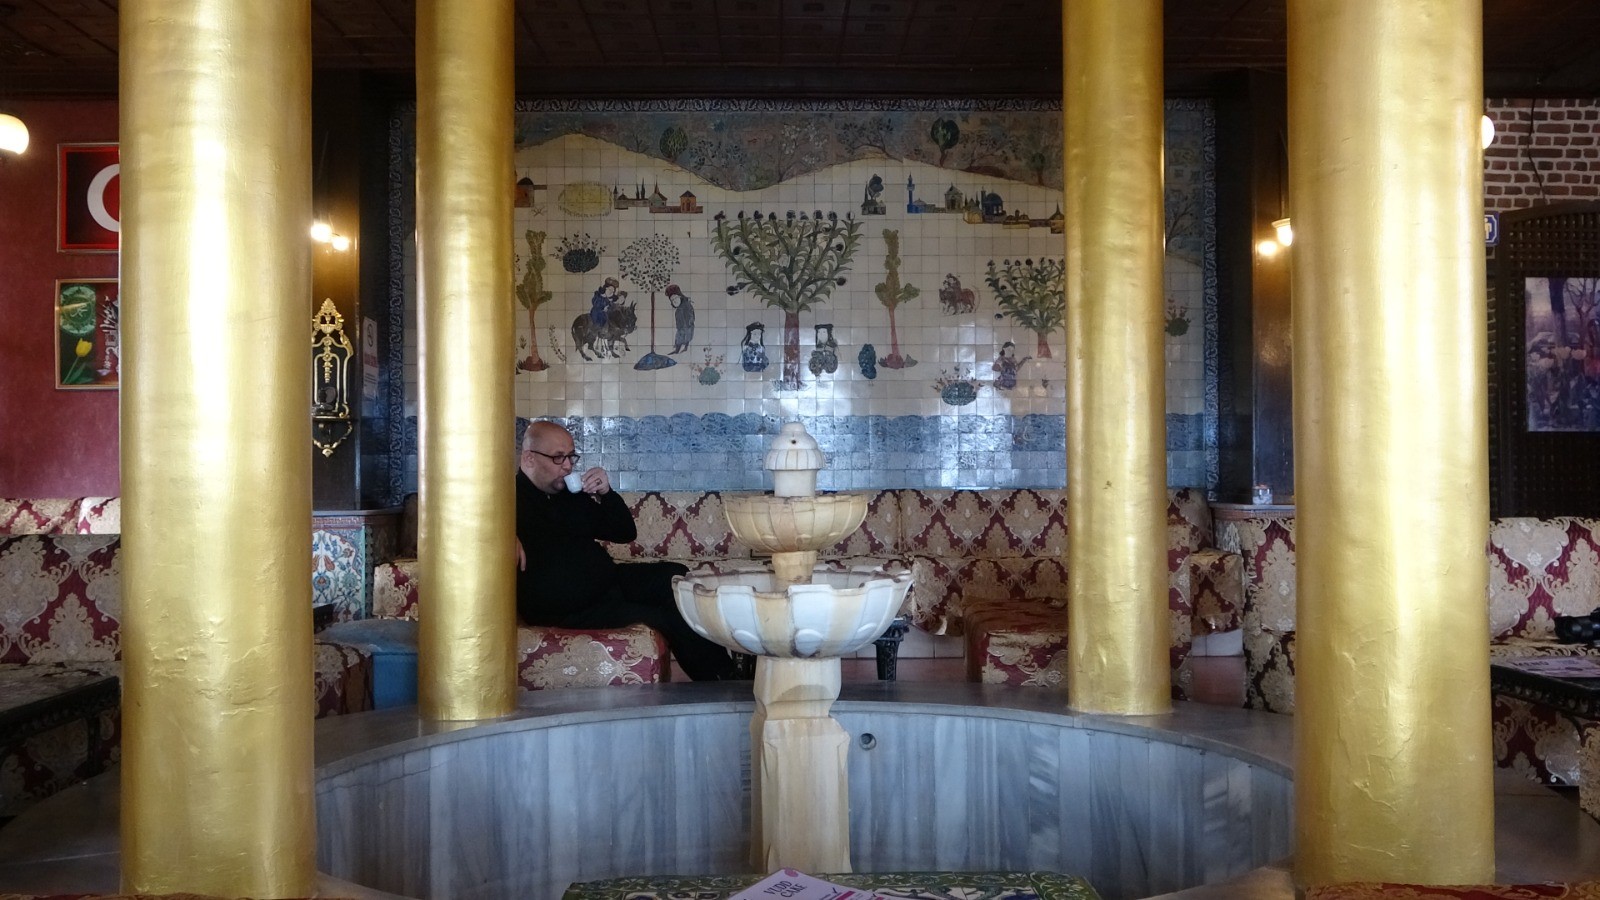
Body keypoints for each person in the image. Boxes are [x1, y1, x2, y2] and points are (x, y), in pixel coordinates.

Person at [514, 420, 740, 681]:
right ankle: (722, 680)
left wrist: (606, 494)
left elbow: (624, 533)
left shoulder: (569, 495)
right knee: (665, 618)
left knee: (676, 577)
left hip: (607, 584)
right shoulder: (507, 501)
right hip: (569, 608)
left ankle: (725, 669)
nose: (567, 466)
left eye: (570, 457)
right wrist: (503, 535)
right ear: (529, 459)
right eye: (558, 458)